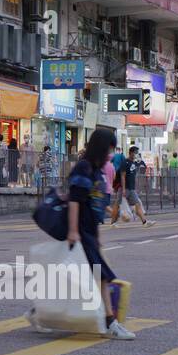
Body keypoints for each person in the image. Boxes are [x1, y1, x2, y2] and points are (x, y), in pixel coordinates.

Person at [29, 127, 135, 340]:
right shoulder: (84, 168)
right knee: (101, 275)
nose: (111, 154)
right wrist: (73, 231)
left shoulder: (96, 169)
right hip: (80, 232)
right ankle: (110, 323)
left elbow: (93, 205)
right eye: (109, 149)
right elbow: (75, 201)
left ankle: (37, 312)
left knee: (85, 277)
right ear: (101, 148)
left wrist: (97, 237)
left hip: (88, 231)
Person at [112, 146, 155, 227]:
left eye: (137, 153)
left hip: (131, 189)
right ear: (131, 153)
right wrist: (123, 189)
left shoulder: (133, 163)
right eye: (135, 153)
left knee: (137, 203)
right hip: (124, 188)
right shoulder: (125, 162)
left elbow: (133, 176)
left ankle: (144, 222)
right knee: (117, 205)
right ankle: (112, 223)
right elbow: (122, 176)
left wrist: (135, 186)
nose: (136, 155)